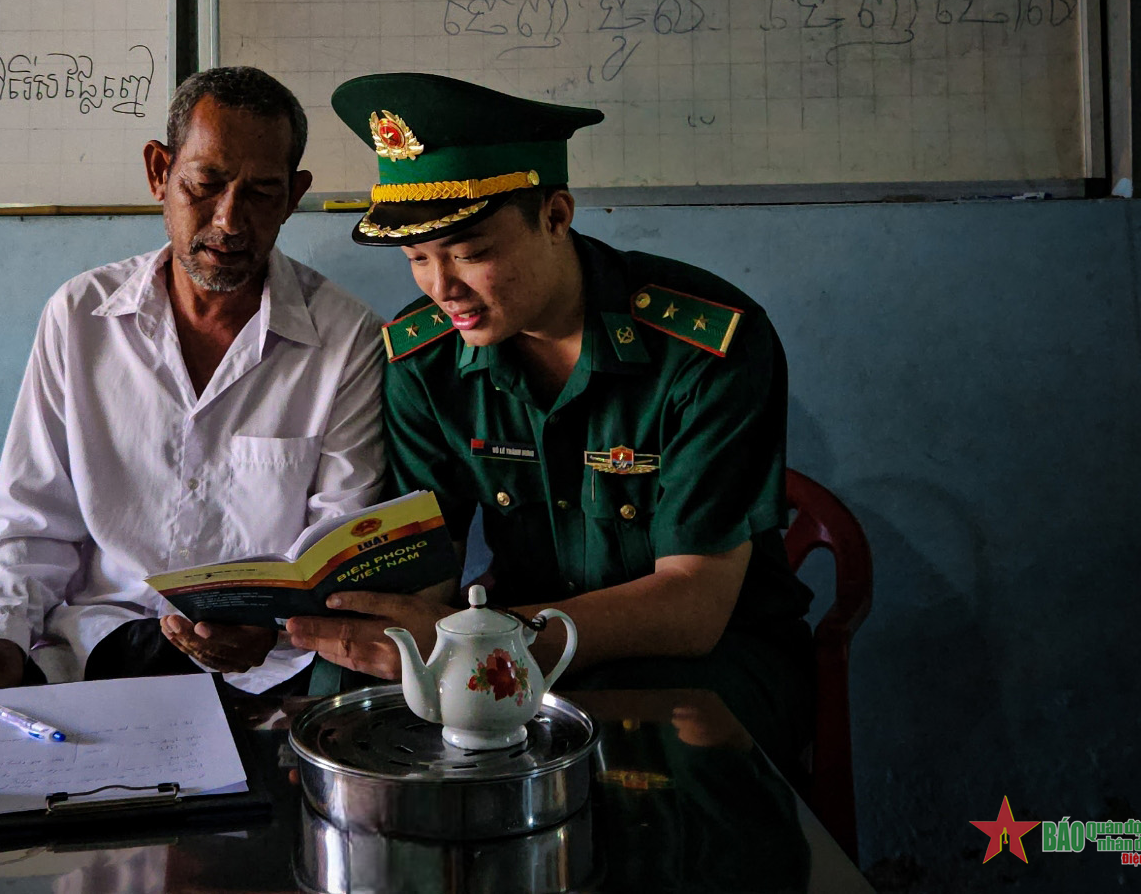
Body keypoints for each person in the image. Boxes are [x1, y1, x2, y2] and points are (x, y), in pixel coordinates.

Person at [285, 73, 813, 772]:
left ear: (556, 215)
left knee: (647, 754)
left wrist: (473, 642)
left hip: (708, 662)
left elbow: (693, 604)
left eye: (471, 252)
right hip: (509, 655)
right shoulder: (424, 360)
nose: (443, 289)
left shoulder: (707, 348)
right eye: (418, 258)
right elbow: (431, 565)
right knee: (351, 720)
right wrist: (387, 631)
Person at [0, 67, 385, 703]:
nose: (230, 220)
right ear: (159, 172)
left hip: (271, 671)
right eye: (204, 184)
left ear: (294, 195)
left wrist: (268, 630)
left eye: (263, 192)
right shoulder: (80, 318)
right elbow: (33, 524)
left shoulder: (346, 338)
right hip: (101, 654)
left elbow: (339, 542)